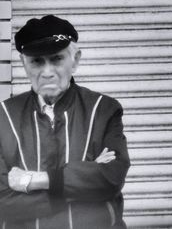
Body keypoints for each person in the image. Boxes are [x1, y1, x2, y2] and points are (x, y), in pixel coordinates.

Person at [0, 15, 131, 229]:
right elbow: (3, 202)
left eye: (56, 59)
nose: (47, 72)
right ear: (24, 64)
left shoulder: (103, 109)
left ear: (76, 60)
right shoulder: (3, 116)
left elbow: (112, 177)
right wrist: (84, 187)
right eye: (36, 61)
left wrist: (36, 181)